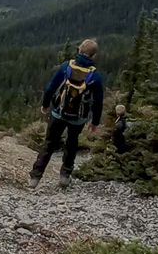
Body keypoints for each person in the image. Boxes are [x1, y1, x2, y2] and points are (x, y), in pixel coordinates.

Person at [29, 39, 105, 189]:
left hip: (58, 113)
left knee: (49, 143)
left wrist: (45, 105)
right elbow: (98, 102)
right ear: (93, 56)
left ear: (79, 50)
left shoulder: (66, 67)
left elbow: (51, 88)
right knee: (72, 143)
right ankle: (65, 176)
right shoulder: (95, 76)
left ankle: (35, 178)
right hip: (78, 119)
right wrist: (94, 122)